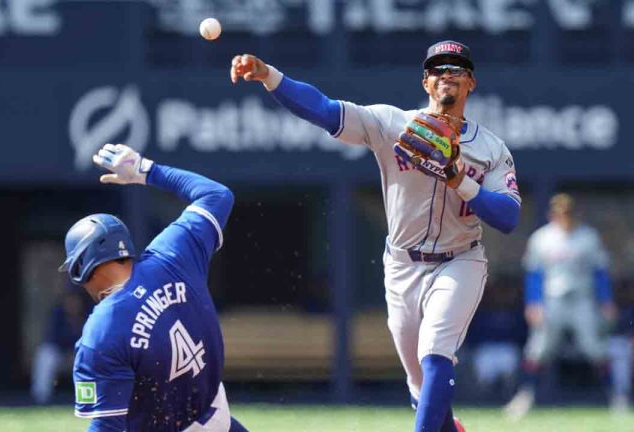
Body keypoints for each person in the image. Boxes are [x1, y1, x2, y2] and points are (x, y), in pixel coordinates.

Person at [230, 40, 521, 432]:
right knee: (421, 389)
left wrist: (458, 179)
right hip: (402, 265)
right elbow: (324, 109)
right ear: (425, 83)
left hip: (459, 261)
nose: (446, 75)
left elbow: (508, 217)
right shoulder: (392, 124)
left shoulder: (490, 149)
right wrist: (268, 75)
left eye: (456, 69)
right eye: (438, 69)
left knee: (435, 354)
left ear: (471, 83)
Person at [59, 143, 249, 432]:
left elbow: (107, 426)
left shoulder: (101, 331)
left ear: (83, 268)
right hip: (217, 417)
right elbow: (216, 195)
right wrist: (147, 171)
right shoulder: (173, 254)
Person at [504, 193, 618, 419]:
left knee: (596, 348)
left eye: (567, 212)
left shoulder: (588, 237)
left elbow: (599, 273)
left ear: (575, 214)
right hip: (552, 300)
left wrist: (605, 300)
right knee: (538, 349)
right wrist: (533, 303)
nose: (563, 217)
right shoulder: (542, 238)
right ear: (552, 214)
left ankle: (616, 397)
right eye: (559, 212)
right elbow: (534, 274)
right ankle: (525, 396)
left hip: (582, 300)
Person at [31, 288, 90, 404]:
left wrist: (76, 352)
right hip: (61, 353)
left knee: (92, 357)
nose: (73, 304)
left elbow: (92, 340)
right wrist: (68, 353)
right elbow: (52, 339)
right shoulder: (57, 315)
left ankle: (89, 399)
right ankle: (41, 398)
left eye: (75, 301)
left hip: (80, 354)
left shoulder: (89, 315)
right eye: (69, 301)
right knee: (46, 354)